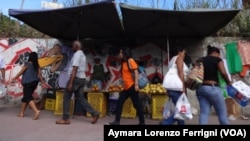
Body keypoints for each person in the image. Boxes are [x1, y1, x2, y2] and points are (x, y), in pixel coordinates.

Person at [55, 40, 99, 125]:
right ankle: (94, 113)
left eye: (72, 46)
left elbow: (75, 68)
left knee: (66, 97)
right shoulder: (82, 54)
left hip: (75, 79)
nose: (72, 48)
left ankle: (65, 118)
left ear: (76, 46)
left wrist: (71, 83)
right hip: (82, 79)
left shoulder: (77, 54)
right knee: (81, 98)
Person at [108, 47, 145, 125]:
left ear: (125, 53)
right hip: (126, 87)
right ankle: (117, 121)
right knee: (120, 102)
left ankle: (142, 122)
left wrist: (136, 85)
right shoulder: (123, 62)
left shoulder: (130, 60)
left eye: (121, 52)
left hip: (132, 86)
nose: (120, 54)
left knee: (137, 104)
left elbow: (136, 72)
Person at [196, 45, 231, 125]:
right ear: (215, 52)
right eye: (218, 54)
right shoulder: (217, 59)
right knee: (222, 114)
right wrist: (228, 82)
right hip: (213, 88)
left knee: (204, 113)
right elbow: (223, 72)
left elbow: (194, 73)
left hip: (200, 89)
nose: (219, 56)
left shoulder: (200, 60)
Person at [160, 46, 189, 125]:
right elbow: (180, 72)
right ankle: (165, 123)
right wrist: (183, 86)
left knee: (180, 109)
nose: (184, 55)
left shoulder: (172, 60)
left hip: (172, 89)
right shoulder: (179, 59)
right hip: (177, 88)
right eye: (184, 53)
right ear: (179, 52)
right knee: (180, 110)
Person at [11, 52, 45, 120]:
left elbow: (21, 72)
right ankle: (21, 113)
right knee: (26, 97)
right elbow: (40, 75)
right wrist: (42, 82)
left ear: (30, 57)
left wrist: (14, 78)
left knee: (28, 97)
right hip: (34, 82)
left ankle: (36, 111)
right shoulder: (37, 65)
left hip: (28, 83)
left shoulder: (27, 64)